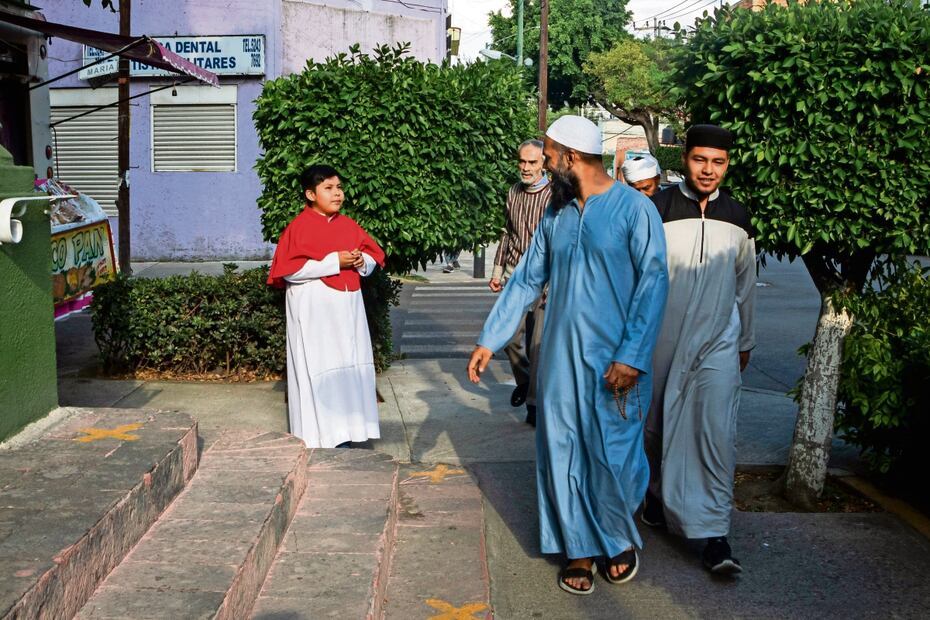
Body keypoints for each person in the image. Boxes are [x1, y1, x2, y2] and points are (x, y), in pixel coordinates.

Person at [467, 115, 668, 595]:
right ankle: (577, 547)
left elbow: (653, 283)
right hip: (558, 359)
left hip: (616, 361)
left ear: (571, 158)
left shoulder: (634, 210)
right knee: (560, 451)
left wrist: (632, 355)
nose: (546, 162)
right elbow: (527, 279)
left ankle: (616, 538)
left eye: (551, 154)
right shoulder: (557, 215)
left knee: (614, 454)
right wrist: (490, 338)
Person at [644, 124, 756, 575]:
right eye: (700, 160)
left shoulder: (738, 217)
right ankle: (655, 496)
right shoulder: (657, 208)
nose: (708, 170)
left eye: (718, 162)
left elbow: (746, 287)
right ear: (684, 159)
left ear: (727, 164)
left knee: (715, 435)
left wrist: (745, 339)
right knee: (654, 429)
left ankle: (714, 536)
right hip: (661, 340)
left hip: (718, 343)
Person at [267, 165, 386, 449]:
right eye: (328, 188)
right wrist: (335, 262)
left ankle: (349, 430)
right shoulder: (299, 227)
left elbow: (372, 254)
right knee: (319, 366)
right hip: (315, 311)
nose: (337, 193)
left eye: (339, 187)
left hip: (347, 311)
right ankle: (321, 438)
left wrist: (360, 262)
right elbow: (288, 270)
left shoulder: (348, 225)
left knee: (347, 365)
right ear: (310, 194)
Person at [489, 139, 551, 427]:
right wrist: (497, 270)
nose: (526, 168)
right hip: (515, 276)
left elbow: (560, 242)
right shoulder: (513, 192)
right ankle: (526, 384)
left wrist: (554, 281)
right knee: (509, 338)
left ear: (544, 164)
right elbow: (508, 233)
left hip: (544, 279)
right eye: (522, 162)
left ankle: (535, 406)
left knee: (538, 345)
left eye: (532, 163)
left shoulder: (555, 195)